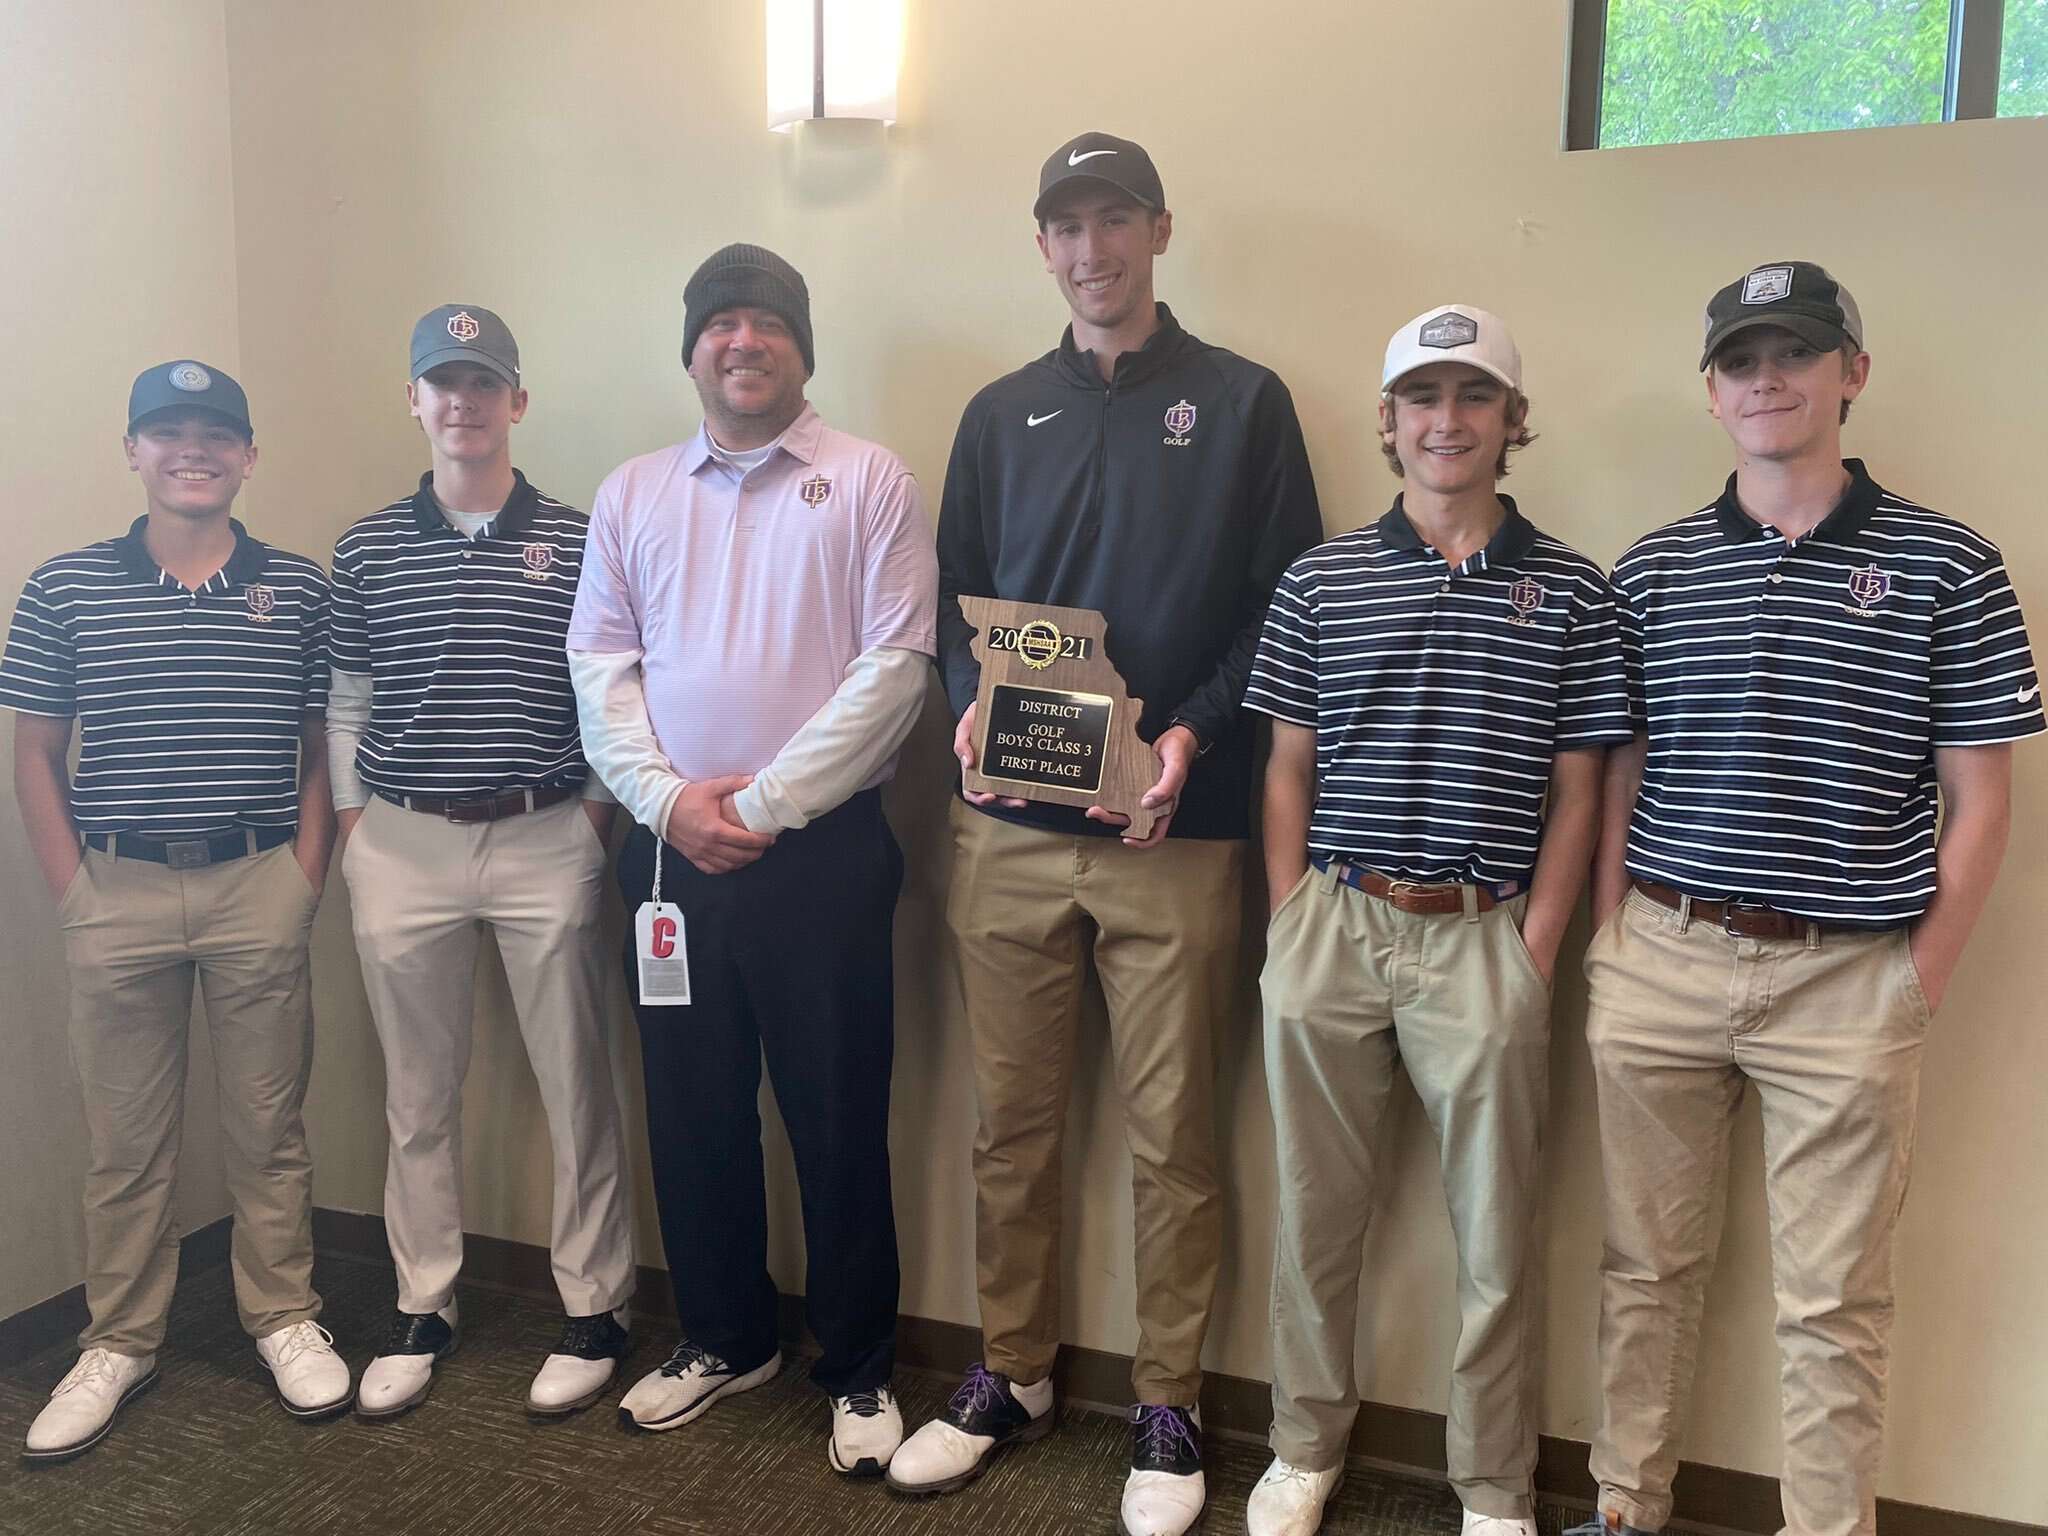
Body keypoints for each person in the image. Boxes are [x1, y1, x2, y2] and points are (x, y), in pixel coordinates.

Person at [889, 132, 1323, 1536]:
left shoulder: (1244, 405)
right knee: (1010, 1128)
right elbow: (954, 599)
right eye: (1068, 227)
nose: (1094, 250)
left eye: (1116, 220)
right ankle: (1011, 1373)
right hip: (1005, 830)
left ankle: (1171, 1402)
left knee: (1173, 1139)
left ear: (1159, 228)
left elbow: (1278, 613)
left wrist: (1191, 734)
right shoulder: (1000, 409)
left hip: (1174, 834)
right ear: (1043, 248)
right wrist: (965, 707)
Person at [1568, 262, 2041, 1536]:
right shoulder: (1653, 571)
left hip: (1848, 978)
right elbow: (1618, 767)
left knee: (1831, 1301)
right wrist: (1613, 937)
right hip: (1661, 958)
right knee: (1643, 1272)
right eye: (1739, 360)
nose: (1765, 377)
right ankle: (1624, 1506)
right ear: (1710, 395)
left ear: (1851, 372)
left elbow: (1979, 800)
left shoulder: (1950, 566)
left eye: (1794, 351)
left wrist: (1915, 975)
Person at [1240, 307, 1631, 1536]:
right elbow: (1286, 766)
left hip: (1484, 939)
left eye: (1472, 397)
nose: (1444, 421)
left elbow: (1581, 789)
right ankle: (1302, 1445)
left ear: (1511, 423)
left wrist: (1535, 947)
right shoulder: (1320, 580)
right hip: (1335, 926)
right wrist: (1290, 916)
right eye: (1421, 398)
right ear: (1388, 422)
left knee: (1495, 1242)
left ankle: (1491, 1486)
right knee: (1313, 1220)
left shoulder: (1572, 589)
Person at [567, 244, 937, 1475]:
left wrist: (765, 805)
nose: (741, 342)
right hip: (669, 861)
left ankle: (857, 1365)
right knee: (690, 1111)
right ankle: (724, 1337)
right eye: (719, 324)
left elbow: (896, 673)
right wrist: (671, 805)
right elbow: (601, 672)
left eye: (765, 323)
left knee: (834, 1117)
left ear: (800, 347)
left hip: (821, 858)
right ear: (691, 351)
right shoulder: (631, 495)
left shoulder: (868, 480)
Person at [5, 361, 350, 1460]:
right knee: (125, 1145)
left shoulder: (298, 589)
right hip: (117, 891)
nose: (191, 450)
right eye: (167, 432)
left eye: (214, 434)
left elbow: (318, 750)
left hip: (259, 884)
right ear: (133, 450)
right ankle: (118, 1343)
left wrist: (305, 877)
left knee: (268, 1130)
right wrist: (74, 890)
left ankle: (285, 1318)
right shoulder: (63, 588)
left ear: (248, 456)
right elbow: (37, 752)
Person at [328, 305, 636, 1420]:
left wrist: (596, 816)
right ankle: (425, 1305)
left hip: (546, 834)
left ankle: (594, 1307)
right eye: (439, 384)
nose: (460, 403)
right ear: (413, 400)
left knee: (576, 1082)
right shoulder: (364, 547)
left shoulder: (579, 531)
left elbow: (608, 694)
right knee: (418, 1095)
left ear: (516, 401)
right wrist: (360, 832)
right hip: (402, 842)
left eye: (482, 383)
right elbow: (347, 699)